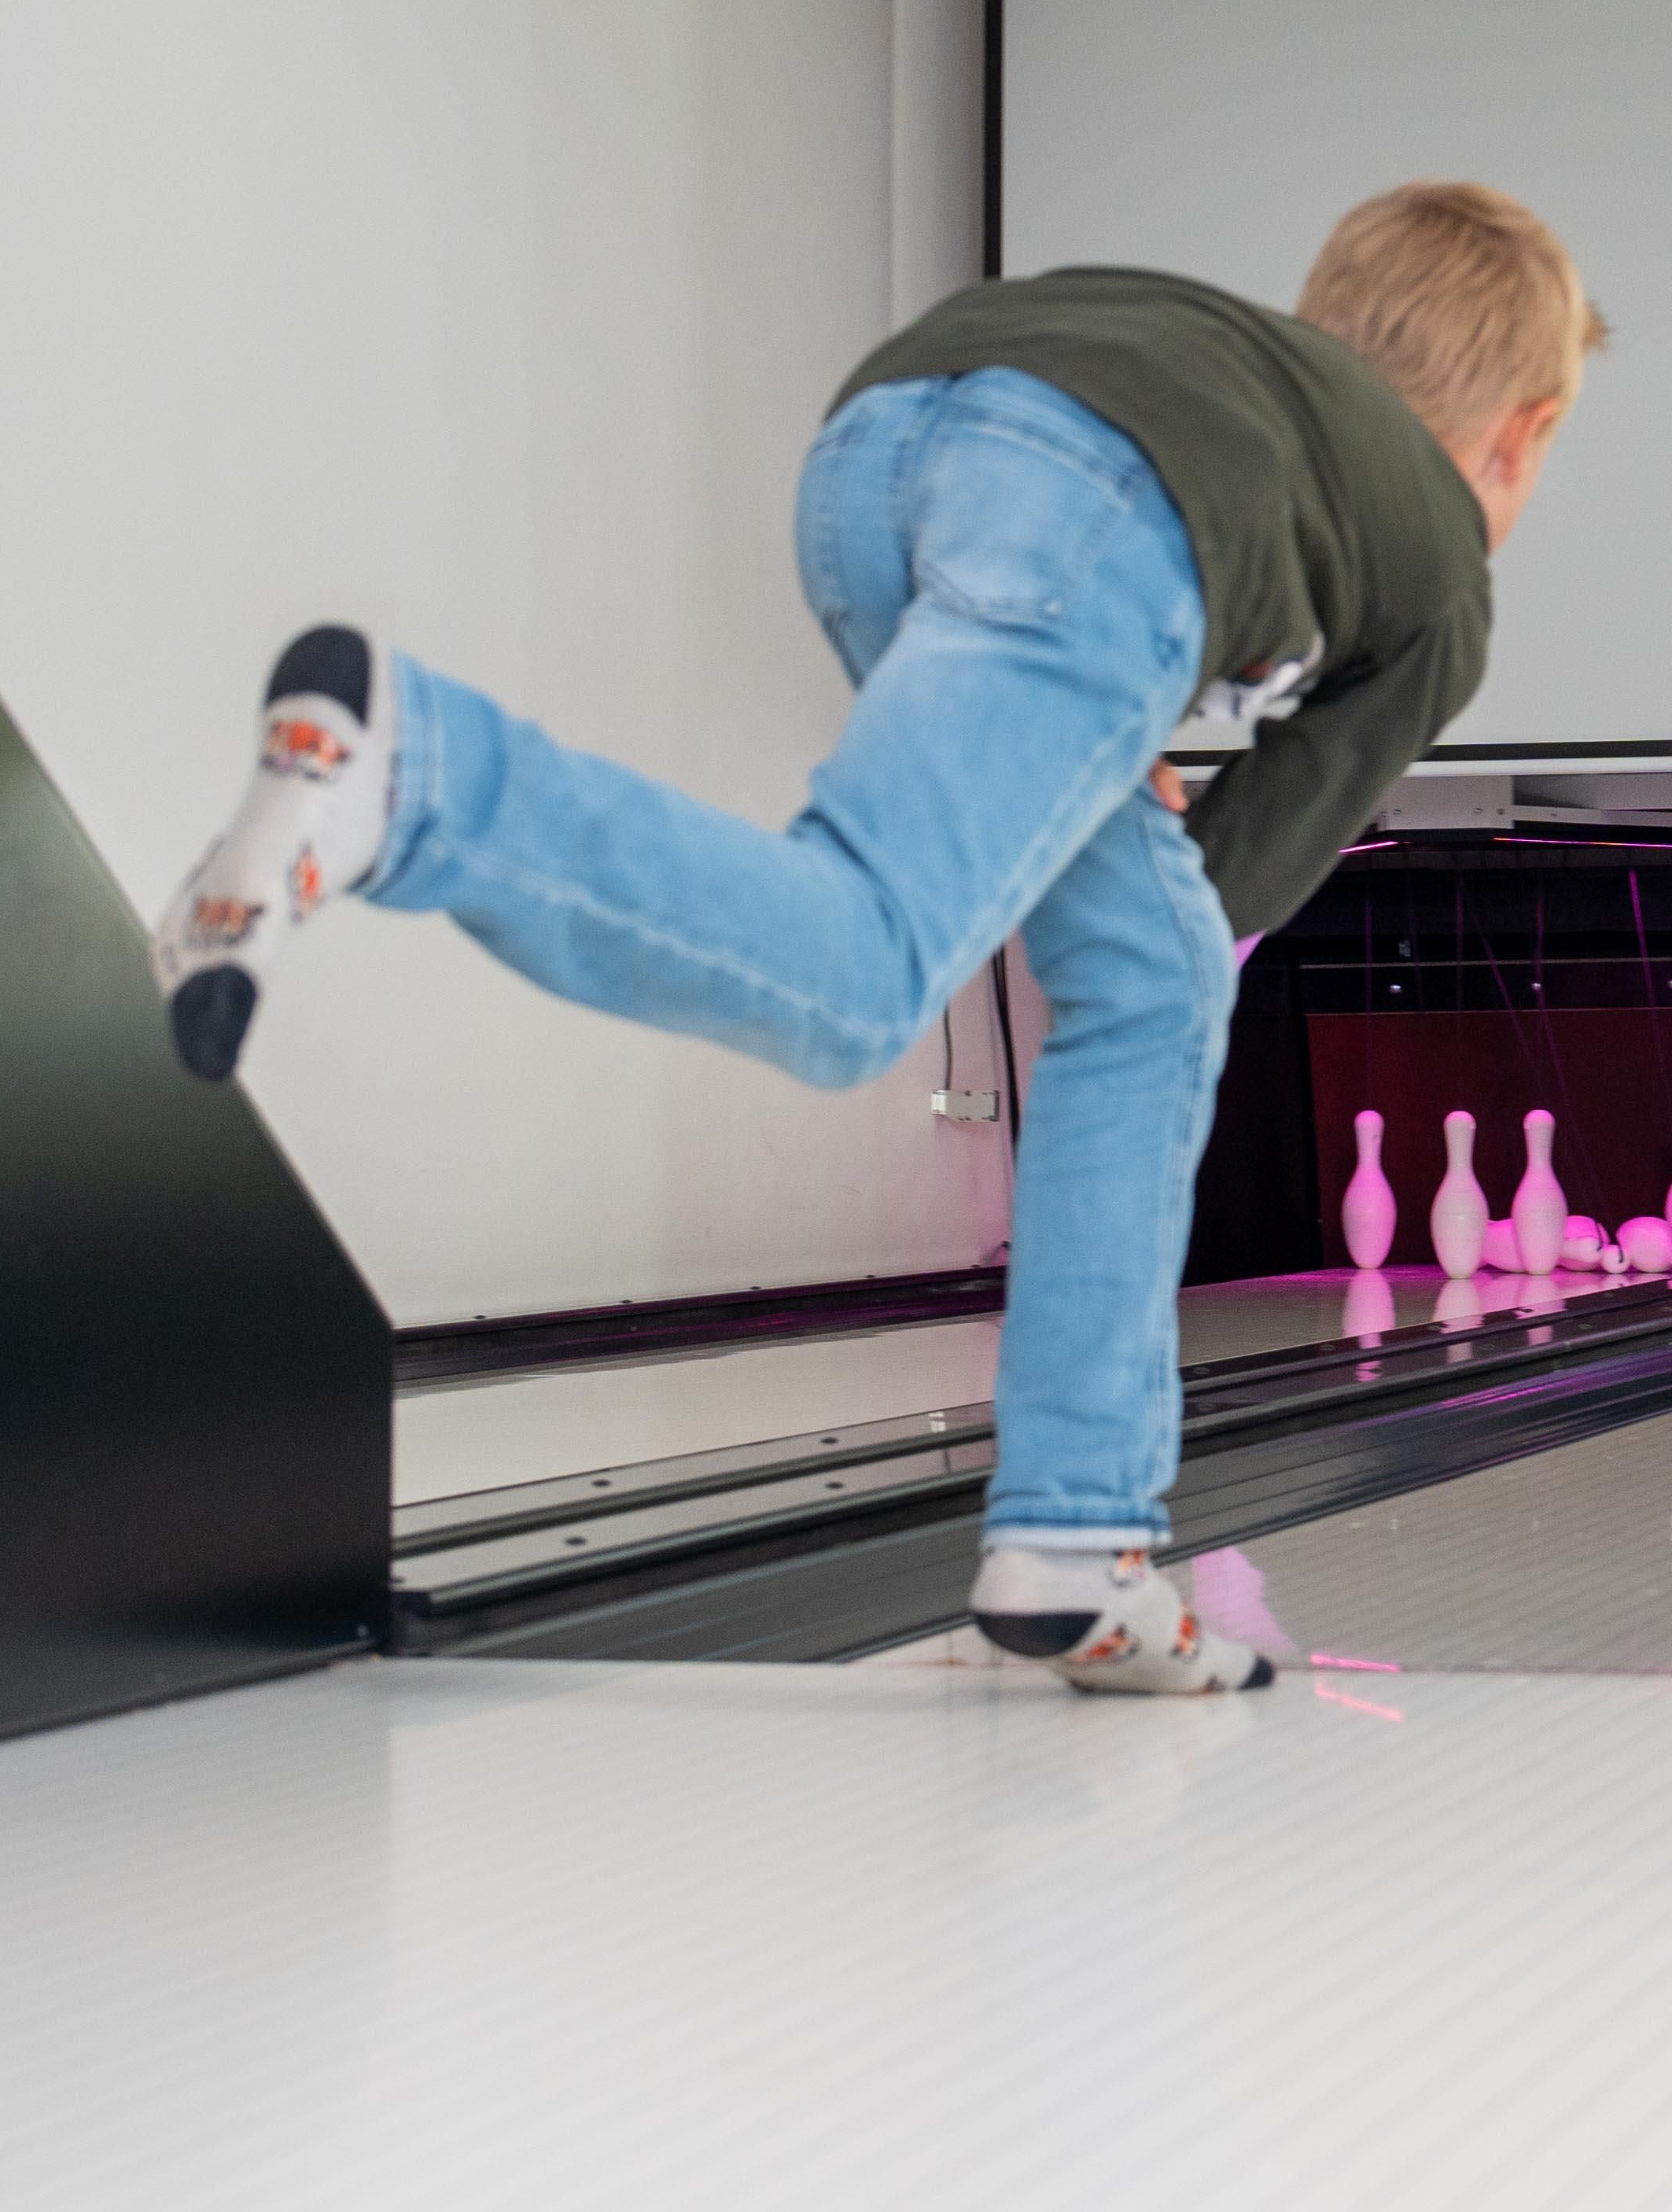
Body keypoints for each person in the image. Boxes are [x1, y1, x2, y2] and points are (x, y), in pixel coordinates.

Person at [149, 183, 1597, 1694]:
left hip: (876, 457)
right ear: (1526, 432)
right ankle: (420, 774)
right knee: (866, 971)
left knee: (1154, 978)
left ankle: (1080, 1543)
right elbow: (1255, 862)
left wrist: (1101, 770)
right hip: (1089, 505)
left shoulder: (1248, 378)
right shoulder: (1444, 561)